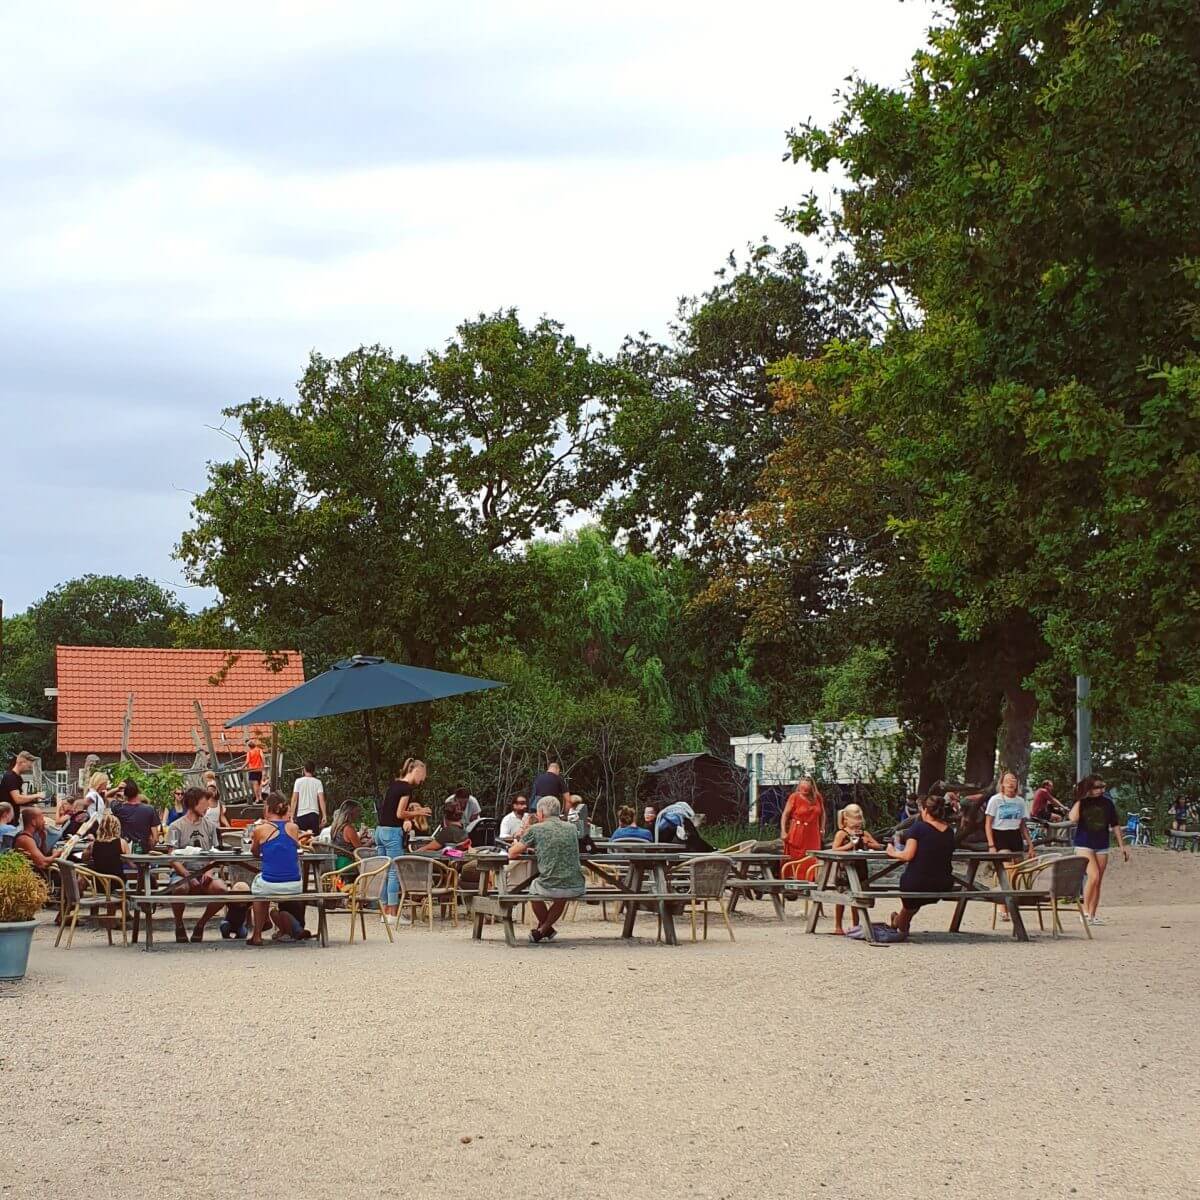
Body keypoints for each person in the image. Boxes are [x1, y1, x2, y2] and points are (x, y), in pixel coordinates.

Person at [509, 796, 585, 943]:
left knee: (533, 889)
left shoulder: (536, 829)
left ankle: (544, 929)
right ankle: (544, 929)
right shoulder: (571, 828)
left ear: (541, 813)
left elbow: (513, 853)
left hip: (550, 885)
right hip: (576, 885)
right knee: (561, 896)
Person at [885, 792, 957, 939]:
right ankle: (898, 921)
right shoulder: (949, 831)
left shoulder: (918, 828)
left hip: (918, 882)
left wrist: (892, 852)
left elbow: (907, 855)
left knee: (910, 900)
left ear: (925, 810)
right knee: (912, 903)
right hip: (943, 882)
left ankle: (901, 927)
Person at [164, 786, 228, 943]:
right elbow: (172, 856)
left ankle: (201, 924)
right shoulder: (175, 826)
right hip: (182, 873)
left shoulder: (210, 826)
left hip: (204, 873)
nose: (207, 806)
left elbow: (215, 853)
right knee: (179, 888)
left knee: (222, 889)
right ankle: (179, 924)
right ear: (194, 803)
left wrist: (210, 870)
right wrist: (186, 874)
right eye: (204, 802)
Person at [247, 793, 306, 946]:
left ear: (268, 808)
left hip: (270, 882)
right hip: (294, 885)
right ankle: (268, 923)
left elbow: (254, 852)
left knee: (258, 889)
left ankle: (257, 934)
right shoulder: (293, 828)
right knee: (262, 886)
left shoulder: (260, 829)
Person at [1070, 775, 1129, 925]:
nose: (1100, 790)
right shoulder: (1082, 802)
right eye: (1096, 787)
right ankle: (1084, 912)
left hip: (1102, 843)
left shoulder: (1107, 803)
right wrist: (1080, 799)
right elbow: (1073, 818)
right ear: (1089, 788)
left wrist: (1122, 845)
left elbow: (1115, 824)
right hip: (1084, 843)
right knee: (1093, 876)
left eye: (1102, 787)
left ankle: (1093, 913)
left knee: (1098, 881)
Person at [376, 759, 428, 925]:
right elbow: (399, 814)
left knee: (383, 872)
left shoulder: (395, 784)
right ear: (417, 771)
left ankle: (383, 912)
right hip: (392, 833)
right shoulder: (406, 788)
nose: (423, 780)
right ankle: (393, 913)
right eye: (423, 776)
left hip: (379, 831)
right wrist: (419, 812)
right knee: (394, 872)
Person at [830, 804, 884, 935]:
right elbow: (834, 849)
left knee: (857, 896)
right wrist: (849, 845)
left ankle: (855, 925)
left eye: (859, 823)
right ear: (846, 820)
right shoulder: (842, 834)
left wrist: (868, 843)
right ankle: (838, 925)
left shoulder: (864, 833)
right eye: (854, 823)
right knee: (842, 897)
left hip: (860, 868)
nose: (857, 827)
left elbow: (879, 846)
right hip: (844, 869)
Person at [985, 771, 1034, 859]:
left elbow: (1022, 825)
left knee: (1018, 866)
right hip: (1000, 834)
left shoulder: (1020, 801)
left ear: (1017, 784)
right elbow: (988, 823)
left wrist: (1030, 845)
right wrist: (991, 845)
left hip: (1015, 834)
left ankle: (992, 869)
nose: (1010, 783)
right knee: (1006, 864)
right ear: (1002, 784)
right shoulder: (995, 800)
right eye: (1007, 781)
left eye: (1013, 781)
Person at [782, 778, 825, 861]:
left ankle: (811, 874)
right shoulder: (794, 796)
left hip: (813, 832)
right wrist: (783, 831)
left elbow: (822, 813)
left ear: (811, 788)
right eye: (802, 788)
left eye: (806, 789)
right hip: (798, 831)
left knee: (812, 857)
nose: (804, 791)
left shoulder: (817, 797)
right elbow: (785, 815)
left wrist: (822, 828)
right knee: (797, 858)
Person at [12, 806, 64, 874]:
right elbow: (43, 863)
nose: (44, 821)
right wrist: (57, 854)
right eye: (42, 819)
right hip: (33, 878)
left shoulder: (31, 836)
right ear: (33, 822)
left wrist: (43, 838)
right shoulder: (25, 839)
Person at [111, 780, 161, 851]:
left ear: (125, 793)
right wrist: (149, 850)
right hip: (143, 853)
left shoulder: (119, 809)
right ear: (137, 791)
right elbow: (155, 838)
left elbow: (108, 797)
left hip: (125, 851)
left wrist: (118, 789)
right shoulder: (150, 809)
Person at [2, 751, 44, 828]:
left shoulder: (18, 778)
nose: (29, 769)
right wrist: (36, 795)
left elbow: (20, 799)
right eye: (29, 766)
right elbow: (18, 799)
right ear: (22, 762)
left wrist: (32, 802)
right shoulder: (10, 777)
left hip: (13, 819)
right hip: (6, 822)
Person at [289, 761, 326, 835]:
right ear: (314, 770)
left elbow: (294, 799)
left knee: (302, 839)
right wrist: (324, 815)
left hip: (301, 814)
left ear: (304, 769)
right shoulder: (318, 782)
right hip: (314, 814)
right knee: (314, 839)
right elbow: (321, 799)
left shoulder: (298, 781)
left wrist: (291, 815)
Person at [329, 801, 367, 872]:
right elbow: (361, 850)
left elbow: (345, 844)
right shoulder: (348, 828)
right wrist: (372, 841)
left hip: (336, 862)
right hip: (348, 864)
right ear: (351, 813)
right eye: (357, 811)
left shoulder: (336, 827)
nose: (359, 814)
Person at [246, 738, 265, 806]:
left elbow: (247, 761)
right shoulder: (259, 750)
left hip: (252, 770)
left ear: (249, 746)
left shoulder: (249, 752)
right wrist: (263, 766)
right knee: (260, 784)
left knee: (255, 785)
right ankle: (261, 797)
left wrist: (242, 767)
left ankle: (257, 798)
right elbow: (262, 757)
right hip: (259, 769)